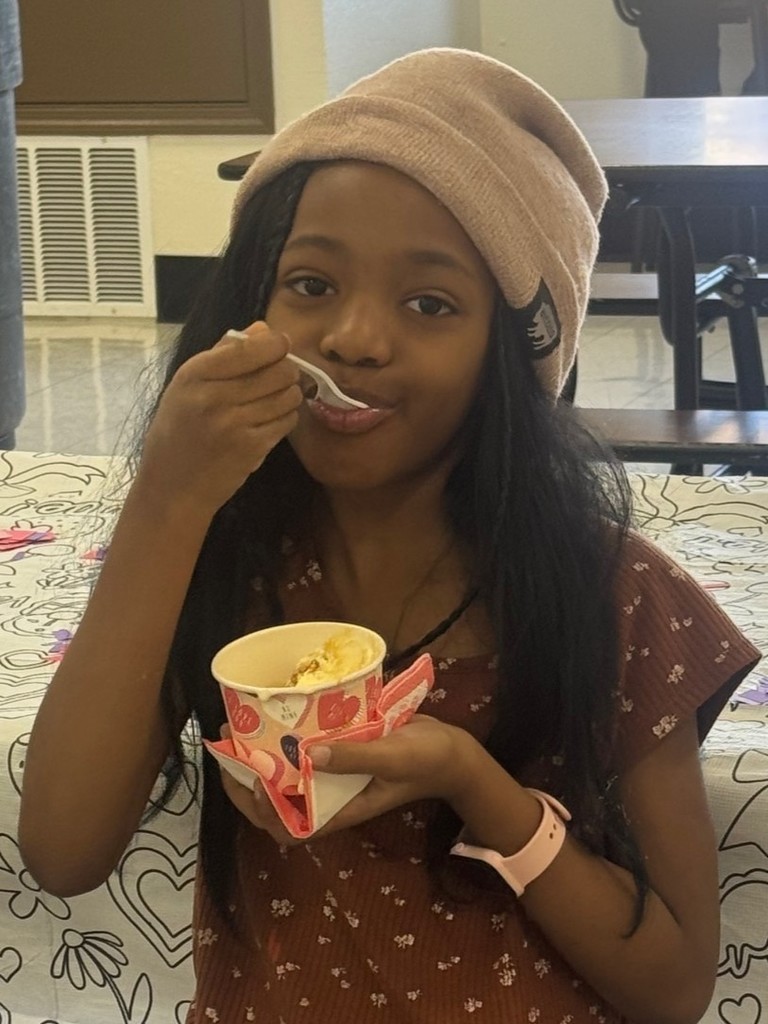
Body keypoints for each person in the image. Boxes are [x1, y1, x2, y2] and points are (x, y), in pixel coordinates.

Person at [19, 49, 761, 1023]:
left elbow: (669, 986)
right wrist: (167, 499)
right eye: (311, 284)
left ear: (513, 356)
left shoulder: (613, 593)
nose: (357, 337)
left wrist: (470, 780)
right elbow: (63, 851)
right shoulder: (227, 558)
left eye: (430, 303)